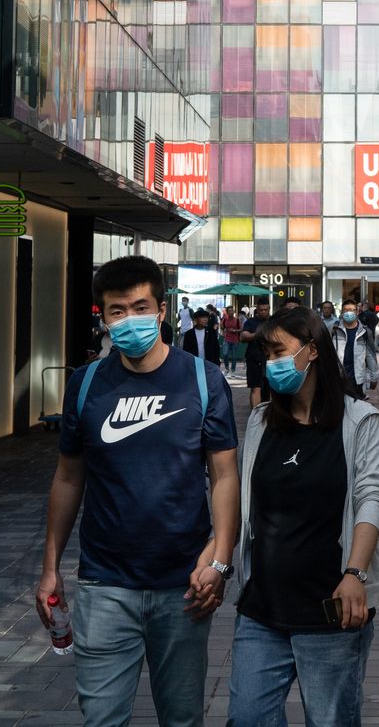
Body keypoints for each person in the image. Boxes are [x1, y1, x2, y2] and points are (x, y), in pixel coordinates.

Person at [36, 255, 240, 727]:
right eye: (117, 311)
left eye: (140, 307)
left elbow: (225, 476)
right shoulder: (85, 385)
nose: (130, 320)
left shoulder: (202, 381)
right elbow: (68, 477)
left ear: (163, 311)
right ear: (102, 317)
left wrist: (221, 560)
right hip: (105, 586)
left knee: (183, 719)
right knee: (102, 719)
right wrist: (50, 568)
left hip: (184, 586)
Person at [228, 308, 379, 726]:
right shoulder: (262, 421)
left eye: (280, 352)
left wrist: (355, 573)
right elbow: (246, 503)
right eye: (268, 355)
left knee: (329, 720)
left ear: (312, 351)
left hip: (329, 612)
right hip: (262, 609)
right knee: (247, 718)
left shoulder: (358, 421)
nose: (272, 364)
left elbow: (371, 496)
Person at [330, 306, 379, 397]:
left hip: (357, 378)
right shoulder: (334, 330)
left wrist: (374, 376)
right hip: (338, 378)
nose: (349, 313)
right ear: (342, 312)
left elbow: (370, 355)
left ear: (357, 312)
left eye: (352, 310)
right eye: (346, 310)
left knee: (357, 406)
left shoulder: (364, 331)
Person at [244, 303, 272, 409]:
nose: (263, 312)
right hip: (254, 358)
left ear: (269, 309)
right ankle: (255, 415)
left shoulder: (273, 321)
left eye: (266, 310)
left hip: (270, 359)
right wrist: (257, 335)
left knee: (269, 388)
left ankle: (267, 413)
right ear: (257, 310)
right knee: (256, 387)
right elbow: (243, 336)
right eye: (261, 310)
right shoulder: (251, 322)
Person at [221, 304, 246, 376]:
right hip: (227, 339)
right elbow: (222, 327)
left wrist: (235, 331)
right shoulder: (225, 319)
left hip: (235, 340)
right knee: (225, 354)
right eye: (230, 311)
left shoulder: (237, 320)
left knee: (234, 356)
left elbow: (241, 329)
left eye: (232, 310)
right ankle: (226, 368)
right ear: (227, 312)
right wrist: (222, 328)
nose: (231, 312)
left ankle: (233, 370)